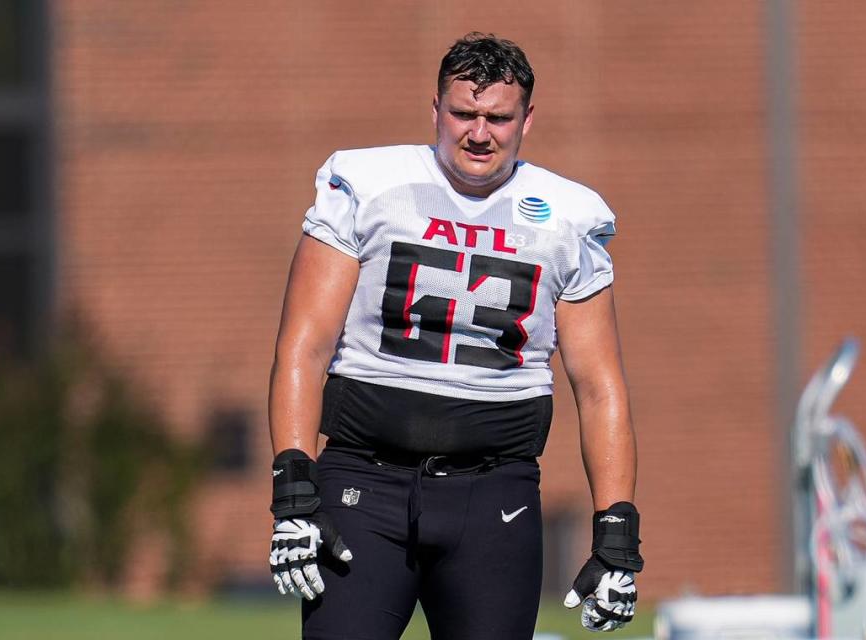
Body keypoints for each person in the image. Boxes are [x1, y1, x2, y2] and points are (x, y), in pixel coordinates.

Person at [267, 32, 643, 640]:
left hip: (495, 491)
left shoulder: (568, 215)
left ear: (527, 119)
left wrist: (616, 525)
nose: (479, 132)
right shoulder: (368, 185)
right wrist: (293, 480)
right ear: (435, 109)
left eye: (498, 116)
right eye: (464, 113)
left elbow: (599, 385)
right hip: (366, 478)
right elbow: (303, 347)